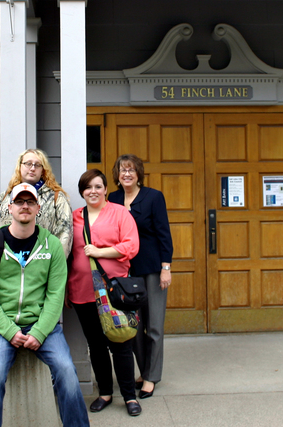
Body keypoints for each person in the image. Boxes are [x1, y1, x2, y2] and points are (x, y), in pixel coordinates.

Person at [0, 183, 89, 427]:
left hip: (43, 326)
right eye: (19, 202)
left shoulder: (52, 246)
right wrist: (9, 331)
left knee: (67, 372)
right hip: (1, 327)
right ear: (9, 207)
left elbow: (56, 294)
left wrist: (39, 332)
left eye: (29, 202)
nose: (24, 206)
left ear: (38, 207)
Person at [68, 169, 142, 417]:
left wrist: (100, 252)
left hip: (113, 292)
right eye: (88, 187)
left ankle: (130, 396)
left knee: (121, 342)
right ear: (82, 191)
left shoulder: (120, 213)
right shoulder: (74, 217)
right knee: (96, 346)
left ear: (106, 190)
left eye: (98, 186)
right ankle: (105, 393)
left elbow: (131, 245)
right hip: (82, 291)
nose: (93, 191)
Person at [108, 154, 174, 400]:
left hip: (153, 270)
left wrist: (166, 267)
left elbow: (164, 234)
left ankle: (151, 377)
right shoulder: (112, 199)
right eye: (122, 170)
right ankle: (144, 370)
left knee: (154, 325)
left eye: (131, 170)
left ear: (138, 174)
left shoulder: (153, 197)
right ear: (117, 175)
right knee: (133, 327)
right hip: (125, 272)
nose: (127, 174)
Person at [0, 148, 73, 256]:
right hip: (7, 262)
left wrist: (54, 264)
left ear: (43, 169)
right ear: (20, 166)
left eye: (37, 165)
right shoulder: (5, 197)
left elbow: (65, 234)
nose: (32, 168)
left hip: (43, 262)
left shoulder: (56, 198)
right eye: (28, 164)